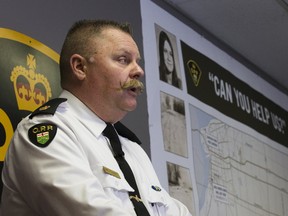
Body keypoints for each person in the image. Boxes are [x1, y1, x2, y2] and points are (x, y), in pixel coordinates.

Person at [1, 20, 192, 216]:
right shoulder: (47, 132)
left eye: (137, 61)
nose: (139, 70)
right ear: (80, 67)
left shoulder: (132, 149)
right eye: (123, 59)